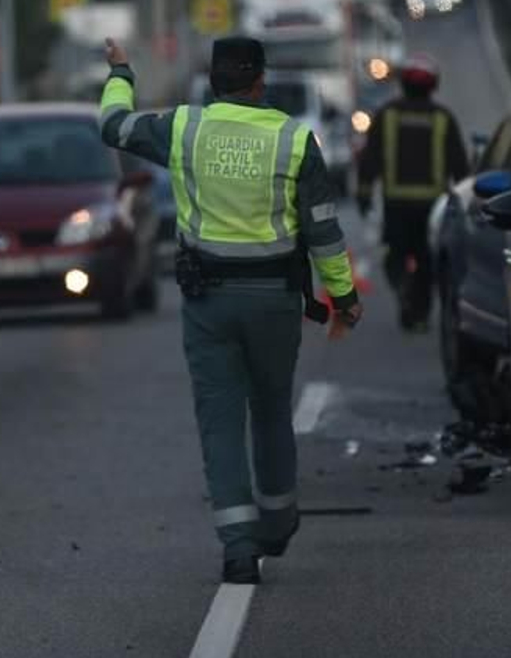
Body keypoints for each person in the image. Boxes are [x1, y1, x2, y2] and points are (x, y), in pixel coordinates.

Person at [99, 35, 363, 585]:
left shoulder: (183, 128)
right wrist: (344, 296)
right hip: (273, 303)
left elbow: (114, 126)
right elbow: (323, 231)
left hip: (208, 302)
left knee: (219, 420)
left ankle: (238, 547)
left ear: (212, 81)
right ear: (260, 81)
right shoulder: (294, 139)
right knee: (270, 412)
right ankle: (279, 518)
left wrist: (121, 71)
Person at [355, 55, 469, 332]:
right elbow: (460, 165)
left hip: (397, 203)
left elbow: (369, 159)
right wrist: (466, 202)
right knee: (428, 260)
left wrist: (364, 194)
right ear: (433, 87)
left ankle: (402, 286)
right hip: (432, 205)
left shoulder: (387, 115)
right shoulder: (443, 119)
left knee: (396, 254)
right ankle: (419, 314)